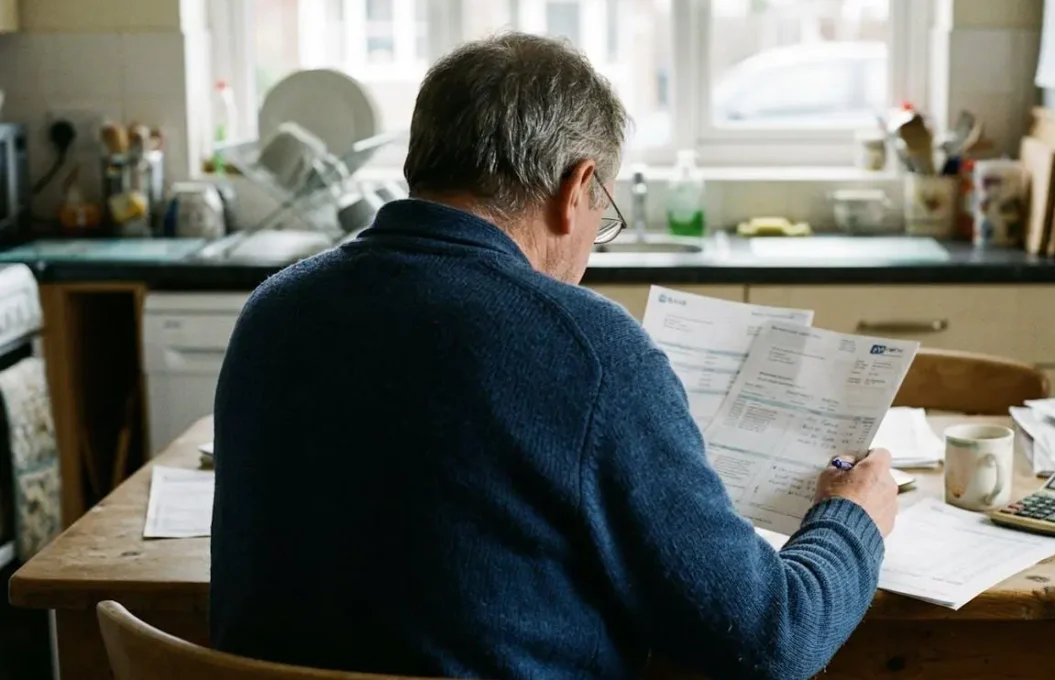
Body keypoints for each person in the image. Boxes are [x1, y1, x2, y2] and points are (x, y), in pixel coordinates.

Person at [210, 33, 898, 680]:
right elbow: (772, 639)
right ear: (577, 188)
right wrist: (852, 516)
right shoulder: (590, 349)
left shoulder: (274, 310)